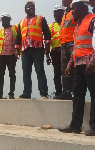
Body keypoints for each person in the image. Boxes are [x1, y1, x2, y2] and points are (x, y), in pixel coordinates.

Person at [59, 0, 95, 136]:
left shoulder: (92, 20)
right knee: (78, 95)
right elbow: (76, 47)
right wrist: (70, 65)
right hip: (79, 65)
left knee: (94, 95)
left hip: (91, 65)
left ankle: (94, 126)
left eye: (74, 9)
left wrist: (93, 62)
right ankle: (75, 125)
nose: (72, 12)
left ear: (82, 8)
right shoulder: (78, 25)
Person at [15, 1, 51, 99]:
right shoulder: (21, 22)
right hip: (25, 49)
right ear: (25, 9)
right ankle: (27, 93)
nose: (32, 8)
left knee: (39, 70)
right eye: (29, 7)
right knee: (26, 72)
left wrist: (47, 46)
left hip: (37, 48)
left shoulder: (41, 19)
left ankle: (43, 93)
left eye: (33, 7)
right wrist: (16, 50)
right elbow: (18, 36)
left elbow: (47, 33)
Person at [54, 0, 77, 100]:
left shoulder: (74, 11)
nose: (63, 1)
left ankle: (76, 92)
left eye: (64, 0)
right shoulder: (65, 14)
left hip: (73, 44)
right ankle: (66, 92)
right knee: (64, 70)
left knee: (74, 69)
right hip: (64, 45)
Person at [0, 13, 17, 99]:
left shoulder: (14, 28)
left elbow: (18, 39)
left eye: (5, 19)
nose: (4, 21)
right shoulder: (0, 30)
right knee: (0, 74)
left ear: (9, 20)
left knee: (12, 74)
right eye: (2, 20)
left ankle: (11, 93)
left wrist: (18, 51)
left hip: (11, 54)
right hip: (1, 55)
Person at [49, 5, 65, 98]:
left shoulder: (67, 24)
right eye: (55, 13)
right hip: (55, 51)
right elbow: (47, 40)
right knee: (57, 72)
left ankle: (67, 91)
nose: (56, 15)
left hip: (66, 50)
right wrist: (47, 55)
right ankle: (58, 92)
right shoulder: (51, 26)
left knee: (67, 72)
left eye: (58, 13)